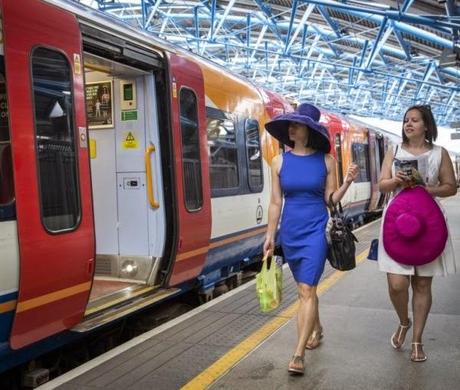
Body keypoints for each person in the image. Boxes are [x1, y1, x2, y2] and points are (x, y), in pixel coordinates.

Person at [263, 103, 359, 375]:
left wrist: (348, 182)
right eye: (290, 125)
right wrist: (270, 235)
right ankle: (316, 327)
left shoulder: (326, 161)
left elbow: (330, 201)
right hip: (291, 232)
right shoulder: (279, 161)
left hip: (316, 230)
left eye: (296, 124)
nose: (291, 128)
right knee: (306, 290)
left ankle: (298, 353)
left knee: (306, 290)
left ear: (309, 130)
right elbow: (274, 202)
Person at [378, 104, 457, 362]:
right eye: (406, 120)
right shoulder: (393, 150)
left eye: (414, 120)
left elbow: (451, 187)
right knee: (397, 284)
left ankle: (417, 340)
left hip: (427, 222)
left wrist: (426, 188)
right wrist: (397, 180)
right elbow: (382, 185)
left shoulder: (439, 153)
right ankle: (403, 321)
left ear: (426, 125)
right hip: (396, 222)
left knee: (422, 283)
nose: (408, 124)